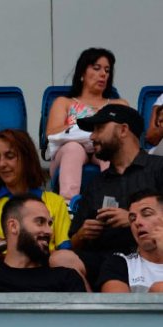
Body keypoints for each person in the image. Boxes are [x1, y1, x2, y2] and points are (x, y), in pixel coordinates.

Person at [0, 129, 87, 284]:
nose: (2, 164)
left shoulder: (56, 202)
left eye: (10, 156)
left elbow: (64, 252)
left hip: (45, 278)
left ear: (26, 158)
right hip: (1, 280)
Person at [70, 104, 163, 289]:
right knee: (61, 259)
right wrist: (82, 234)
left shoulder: (159, 168)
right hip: (106, 262)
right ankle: (89, 312)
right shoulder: (96, 183)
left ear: (123, 130)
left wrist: (132, 220)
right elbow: (72, 241)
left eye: (99, 128)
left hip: (154, 257)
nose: (92, 136)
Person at [46, 47, 128, 201]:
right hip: (69, 151)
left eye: (107, 70)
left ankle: (112, 204)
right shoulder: (64, 102)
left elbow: (129, 136)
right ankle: (68, 206)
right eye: (96, 68)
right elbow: (51, 133)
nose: (103, 74)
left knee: (108, 150)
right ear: (82, 73)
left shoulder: (119, 104)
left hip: (104, 148)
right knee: (73, 149)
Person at [0, 194, 87, 292]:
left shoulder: (66, 279)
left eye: (49, 224)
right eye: (40, 222)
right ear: (13, 226)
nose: (49, 231)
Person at [98, 189, 163, 293]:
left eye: (146, 214)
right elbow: (117, 306)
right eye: (132, 219)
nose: (137, 222)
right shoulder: (119, 263)